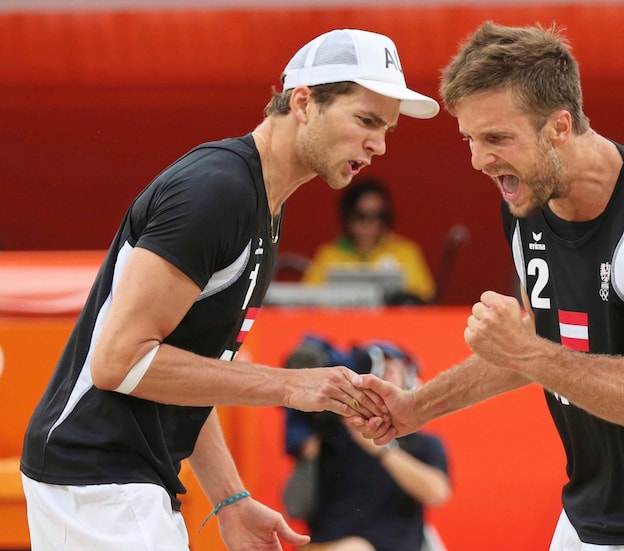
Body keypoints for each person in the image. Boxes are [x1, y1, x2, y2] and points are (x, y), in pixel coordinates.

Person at [19, 28, 439, 551]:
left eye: (387, 129)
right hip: (97, 479)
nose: (378, 144)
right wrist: (290, 385)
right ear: (304, 102)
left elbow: (191, 368)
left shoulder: (261, 200)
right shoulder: (218, 191)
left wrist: (231, 499)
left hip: (121, 482)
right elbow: (119, 359)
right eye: (367, 121)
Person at [350, 21, 624, 549]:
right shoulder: (523, 203)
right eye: (471, 139)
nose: (479, 160)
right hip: (592, 511)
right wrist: (415, 407)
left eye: (497, 138)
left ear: (559, 127)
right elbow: (537, 347)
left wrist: (527, 350)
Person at [281, 336, 450, 551]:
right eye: (373, 371)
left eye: (389, 370)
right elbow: (294, 507)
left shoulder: (423, 444)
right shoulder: (329, 437)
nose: (380, 377)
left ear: (407, 378)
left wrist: (382, 449)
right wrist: (309, 452)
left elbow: (437, 493)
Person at [302, 178, 436, 304]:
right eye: (361, 216)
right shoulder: (328, 255)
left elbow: (424, 297)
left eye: (376, 216)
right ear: (348, 217)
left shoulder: (406, 252)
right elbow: (307, 299)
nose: (368, 224)